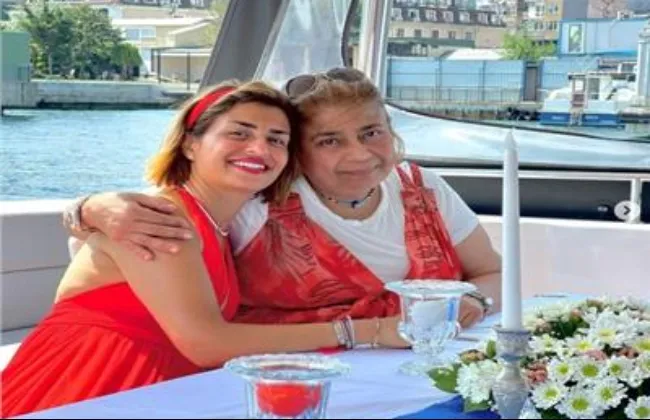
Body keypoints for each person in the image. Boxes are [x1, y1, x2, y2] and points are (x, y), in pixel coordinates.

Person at [2, 80, 405, 418]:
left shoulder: (224, 223)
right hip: (85, 386)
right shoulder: (160, 219)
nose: (259, 149)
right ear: (190, 145)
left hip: (160, 389)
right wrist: (368, 332)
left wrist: (85, 209)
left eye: (276, 140)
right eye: (239, 133)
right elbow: (207, 343)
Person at [66, 68, 501, 329]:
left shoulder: (422, 187)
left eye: (372, 133)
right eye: (329, 141)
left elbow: (491, 272)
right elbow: (155, 215)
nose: (359, 154)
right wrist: (90, 207)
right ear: (296, 152)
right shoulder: (259, 198)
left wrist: (475, 301)